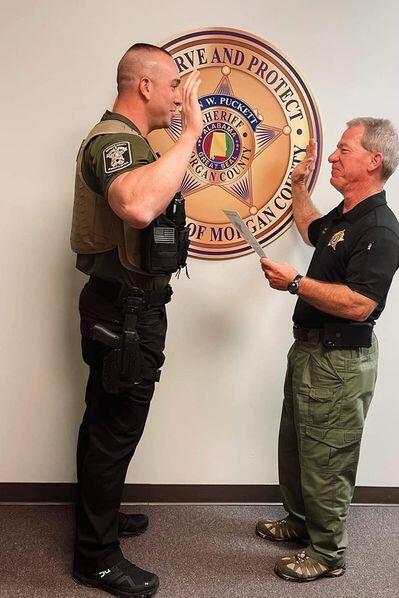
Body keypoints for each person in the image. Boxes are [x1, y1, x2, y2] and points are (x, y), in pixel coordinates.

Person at [70, 43, 203, 597]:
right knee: (113, 432)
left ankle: (98, 519)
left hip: (126, 310)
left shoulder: (134, 143)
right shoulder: (114, 144)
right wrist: (192, 132)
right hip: (124, 316)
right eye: (173, 85)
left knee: (106, 424)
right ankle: (95, 558)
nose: (178, 97)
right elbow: (138, 207)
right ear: (144, 86)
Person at [257, 118, 399, 582]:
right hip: (310, 353)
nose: (333, 158)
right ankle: (301, 525)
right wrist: (299, 186)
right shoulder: (347, 215)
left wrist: (296, 283)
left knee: (327, 459)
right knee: (297, 449)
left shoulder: (381, 228)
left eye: (343, 149)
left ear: (373, 161)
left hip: (340, 362)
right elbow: (310, 230)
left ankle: (327, 554)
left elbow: (361, 304)